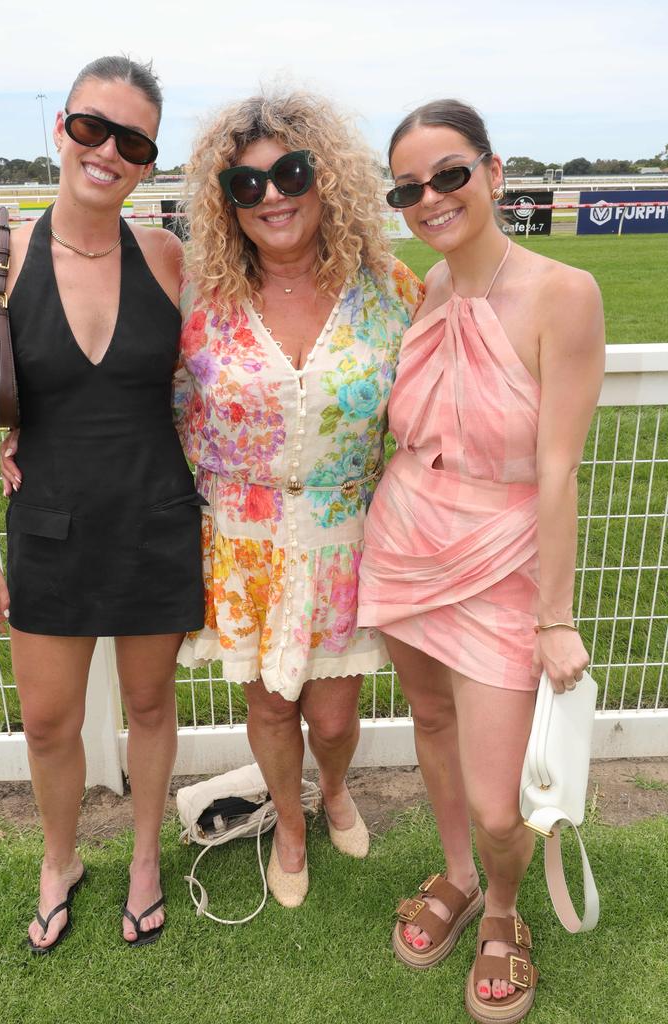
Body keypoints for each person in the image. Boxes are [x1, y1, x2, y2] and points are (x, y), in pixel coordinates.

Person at [0, 55, 205, 952]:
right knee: (49, 720)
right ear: (61, 126)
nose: (108, 152)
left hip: (155, 518)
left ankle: (142, 857)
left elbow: (206, 391)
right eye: (93, 127)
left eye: (133, 140)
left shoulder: (167, 255)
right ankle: (60, 860)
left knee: (149, 707)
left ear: (148, 160)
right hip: (47, 524)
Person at [358, 99, 604, 1021]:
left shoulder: (561, 293)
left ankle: (504, 907)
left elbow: (558, 466)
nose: (430, 197)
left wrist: (554, 615)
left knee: (504, 804)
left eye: (450, 174)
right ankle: (458, 875)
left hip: (502, 563)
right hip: (407, 540)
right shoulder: (426, 287)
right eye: (409, 186)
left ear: (495, 173)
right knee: (430, 719)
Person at [174, 91, 423, 906]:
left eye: (290, 173)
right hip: (242, 546)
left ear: (327, 180)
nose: (272, 195)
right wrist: (24, 435)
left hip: (341, 538)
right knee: (272, 710)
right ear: (226, 204)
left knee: (335, 717)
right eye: (246, 186)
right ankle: (288, 818)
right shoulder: (200, 303)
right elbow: (155, 402)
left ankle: (337, 787)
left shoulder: (389, 293)